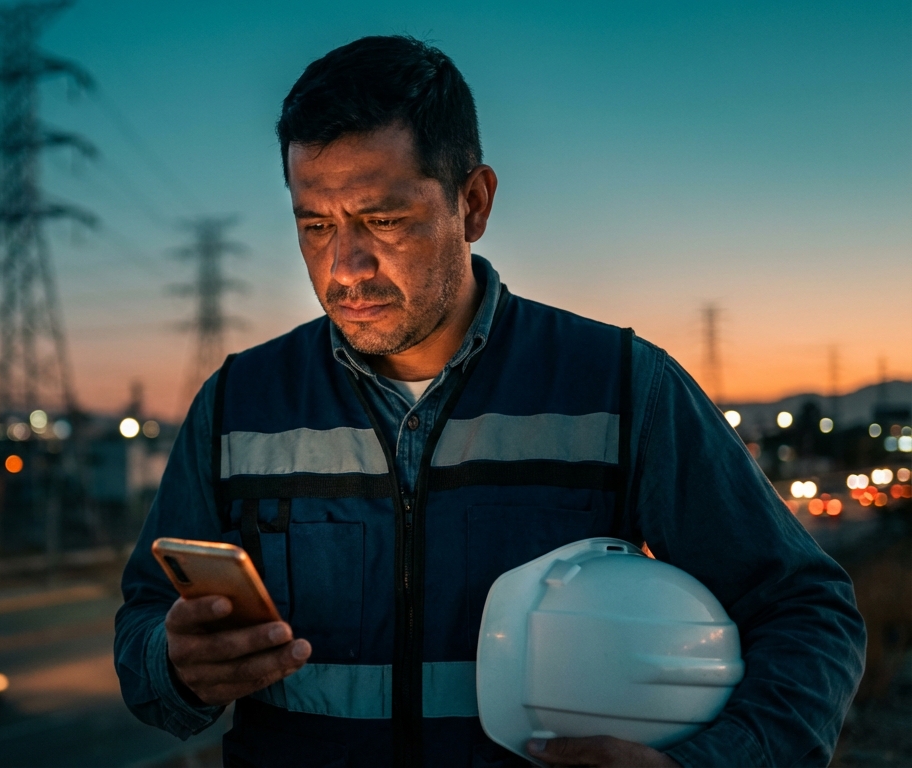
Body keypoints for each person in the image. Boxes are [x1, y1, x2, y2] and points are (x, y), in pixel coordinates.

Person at [114, 35, 865, 767]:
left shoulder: (617, 385)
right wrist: (173, 664)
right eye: (316, 225)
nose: (345, 267)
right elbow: (144, 633)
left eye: (383, 220)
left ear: (472, 204)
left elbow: (805, 612)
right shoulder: (240, 402)